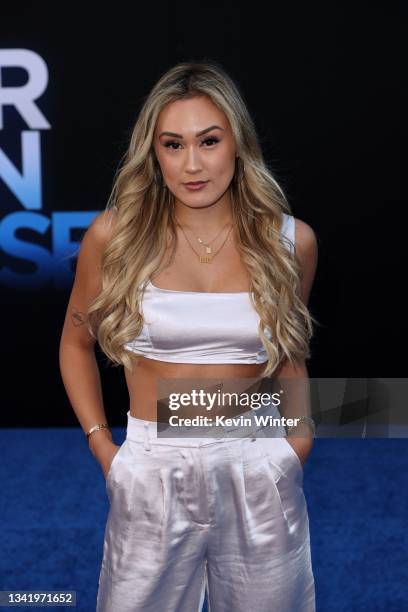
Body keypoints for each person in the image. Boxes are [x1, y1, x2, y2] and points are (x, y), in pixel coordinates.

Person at [59, 60, 319, 612]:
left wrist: (295, 445)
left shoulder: (290, 242)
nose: (193, 164)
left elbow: (289, 357)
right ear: (153, 153)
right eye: (173, 145)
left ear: (238, 144)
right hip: (152, 467)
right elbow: (75, 344)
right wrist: (105, 448)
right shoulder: (114, 238)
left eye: (209, 141)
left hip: (257, 464)